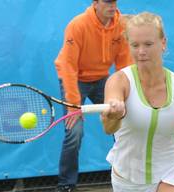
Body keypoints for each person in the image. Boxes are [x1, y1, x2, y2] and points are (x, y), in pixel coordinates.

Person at [101, 12, 174, 192]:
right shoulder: (119, 81)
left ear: (163, 43)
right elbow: (108, 128)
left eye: (148, 44)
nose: (141, 51)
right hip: (127, 181)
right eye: (135, 45)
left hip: (172, 172)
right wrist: (116, 114)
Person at [54, 0, 133, 191]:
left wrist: (127, 94)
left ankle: (129, 177)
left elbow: (124, 63)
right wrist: (73, 104)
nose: (112, 5)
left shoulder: (122, 24)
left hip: (102, 79)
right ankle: (66, 185)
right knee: (75, 132)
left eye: (114, 1)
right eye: (107, 1)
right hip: (75, 80)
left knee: (127, 124)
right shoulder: (78, 25)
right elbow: (68, 65)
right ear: (95, 3)